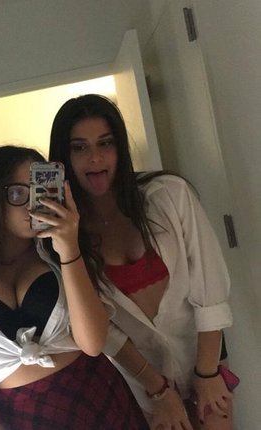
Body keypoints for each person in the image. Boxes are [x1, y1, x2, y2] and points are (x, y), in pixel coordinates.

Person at [0, 146, 149, 430]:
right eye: (18, 193)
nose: (31, 205)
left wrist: (69, 248)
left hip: (96, 397)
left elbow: (92, 343)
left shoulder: (62, 255)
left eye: (40, 191)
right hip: (21, 416)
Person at [48, 94, 236, 430]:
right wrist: (159, 391)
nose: (95, 157)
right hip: (141, 381)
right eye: (79, 147)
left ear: (120, 147)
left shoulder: (169, 195)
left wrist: (207, 374)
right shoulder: (64, 239)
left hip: (204, 358)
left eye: (105, 143)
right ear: (63, 158)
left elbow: (210, 291)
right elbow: (105, 332)